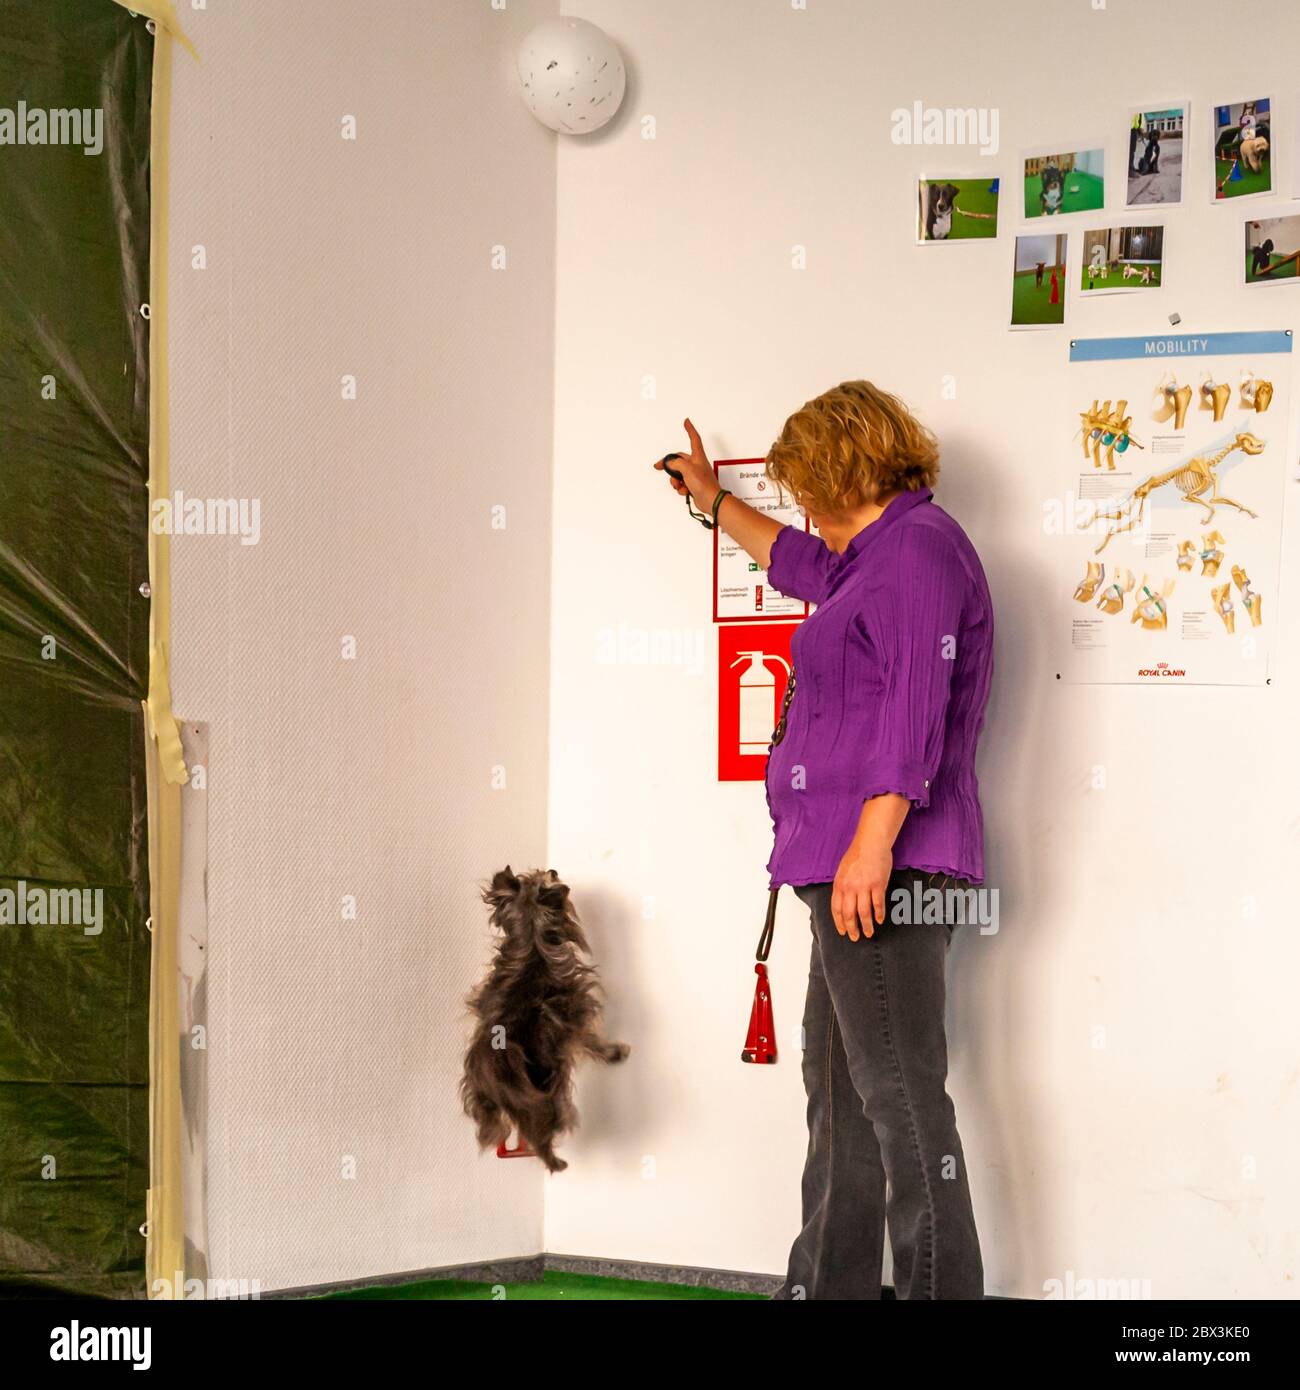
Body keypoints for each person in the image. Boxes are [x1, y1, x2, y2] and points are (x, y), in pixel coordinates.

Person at [654, 381, 993, 1300]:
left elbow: (918, 710)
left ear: (842, 465)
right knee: (841, 1097)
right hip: (848, 868)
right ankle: (826, 1290)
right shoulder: (864, 559)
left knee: (901, 1103)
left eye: (805, 479)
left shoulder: (919, 551)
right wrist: (711, 500)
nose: (799, 501)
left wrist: (872, 845)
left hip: (890, 865)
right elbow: (796, 558)